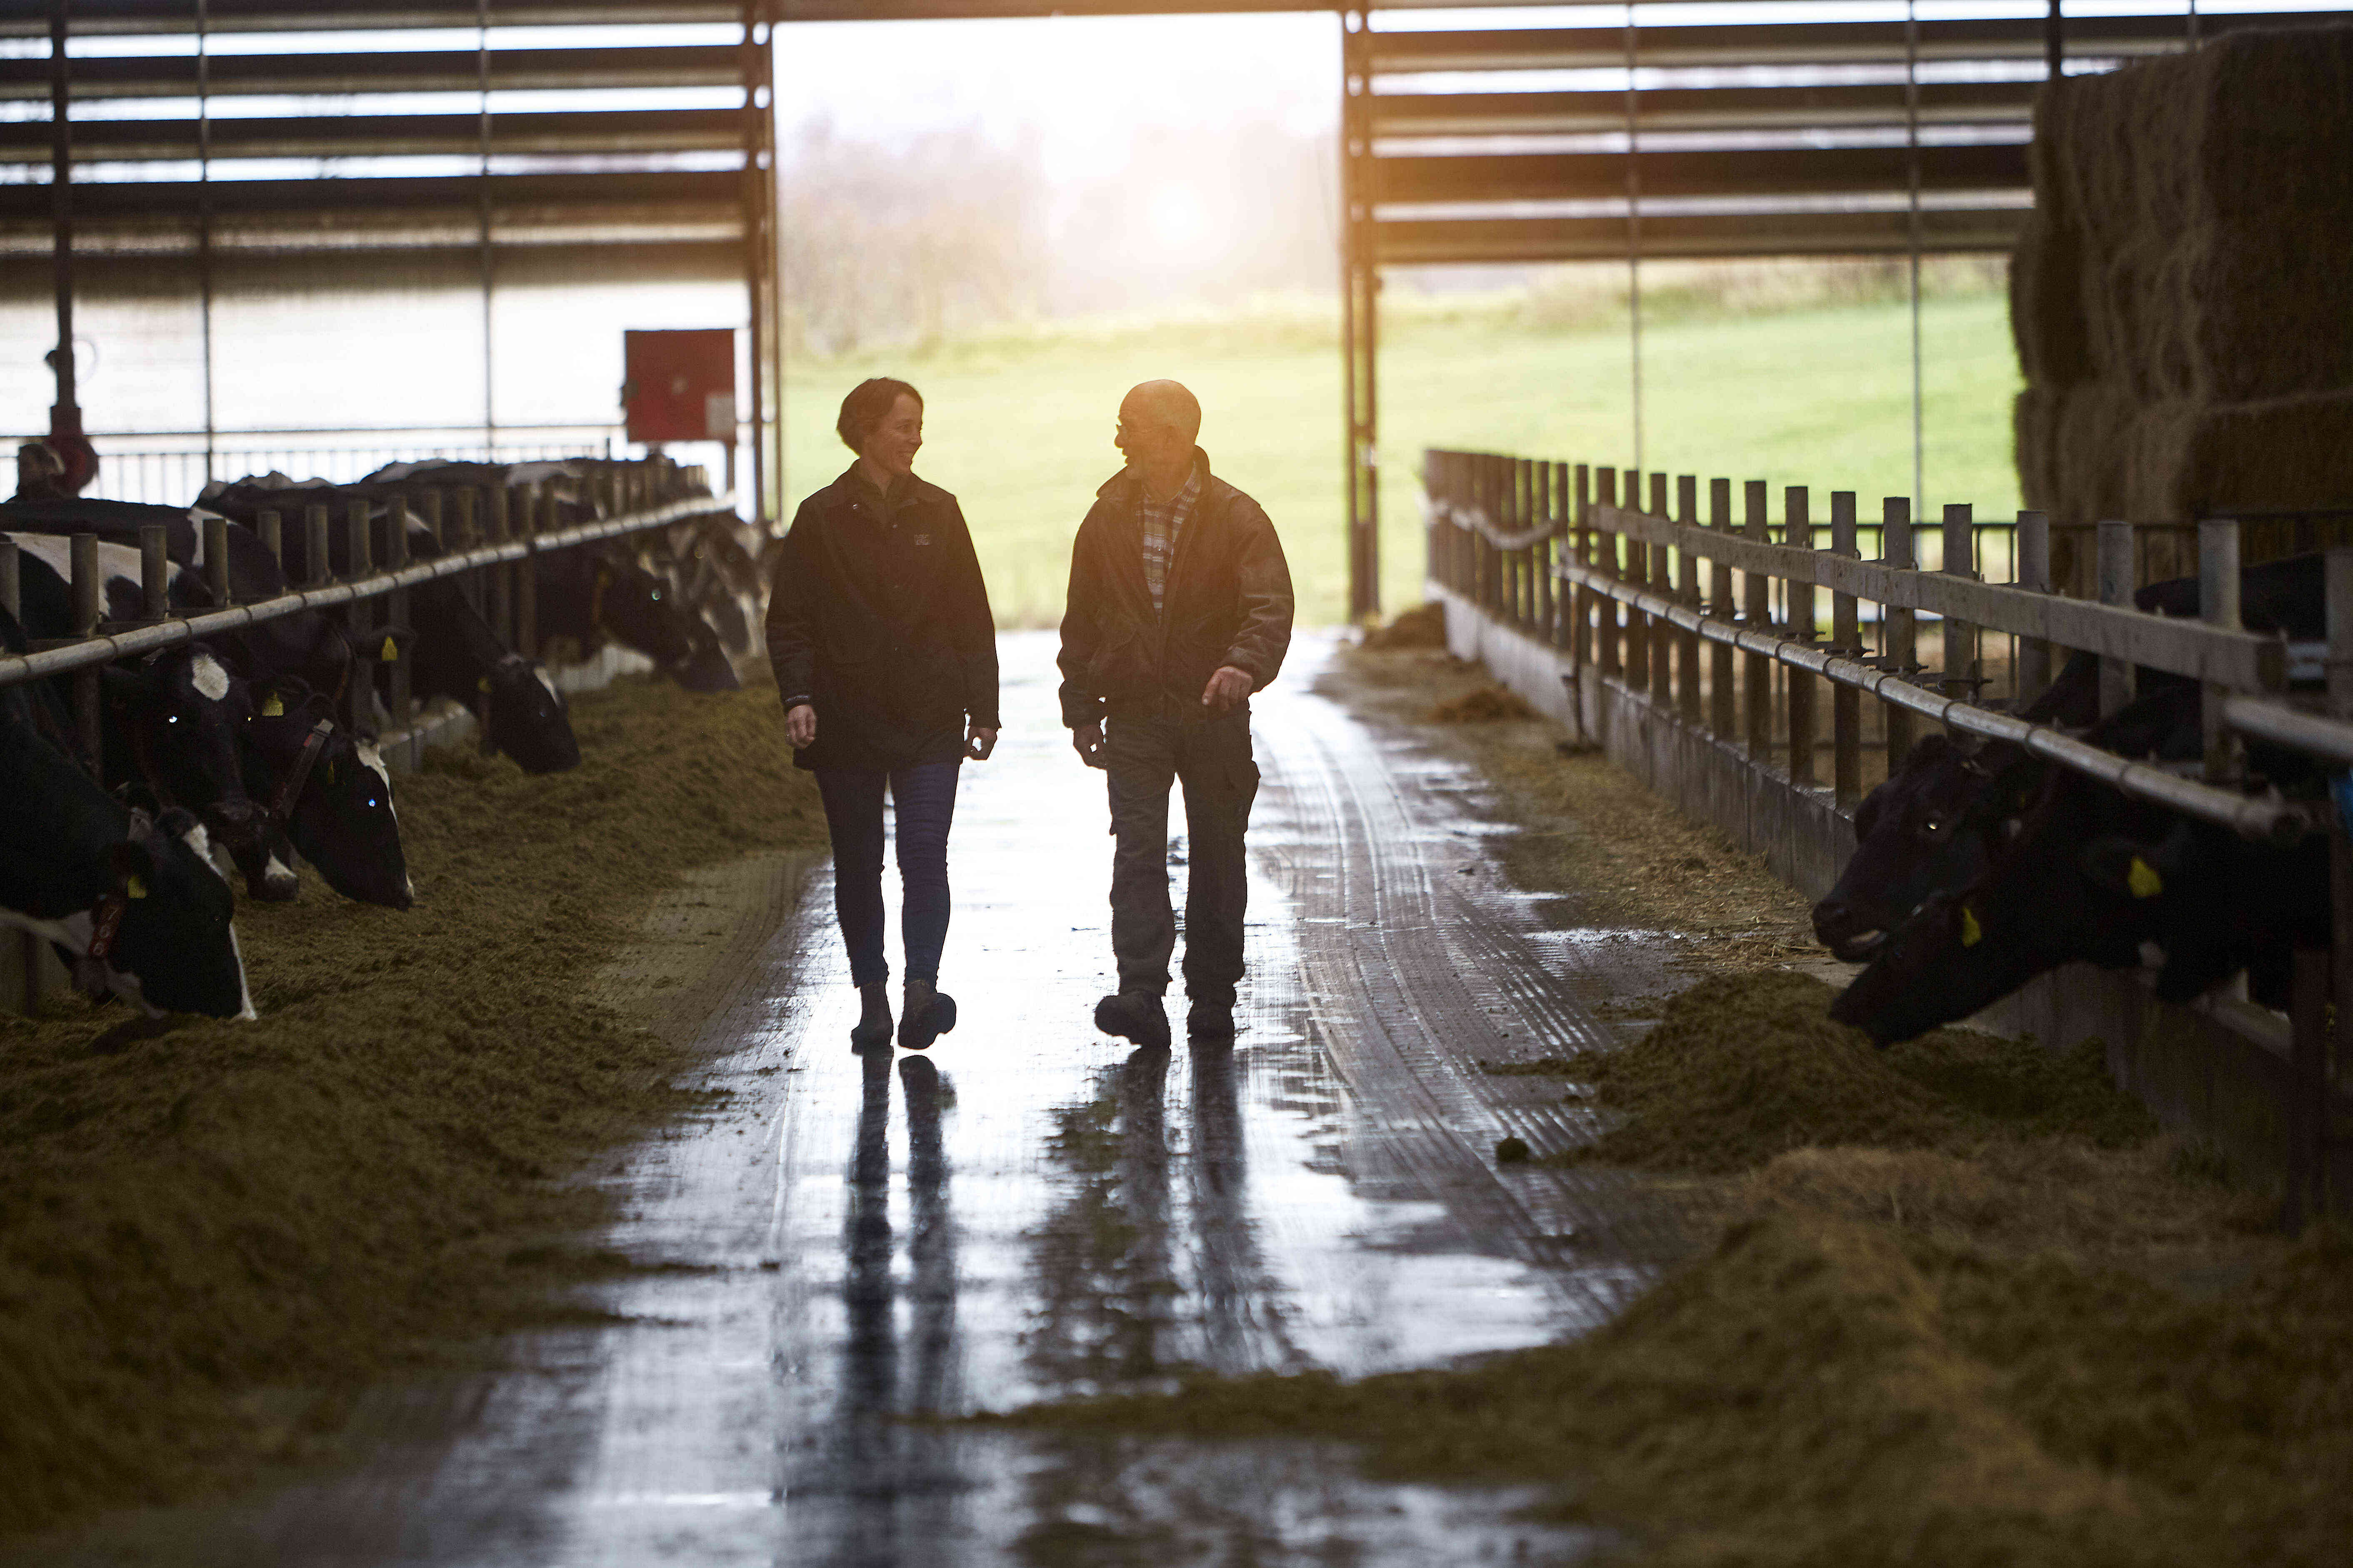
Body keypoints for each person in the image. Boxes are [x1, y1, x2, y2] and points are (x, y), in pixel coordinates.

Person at [1057, 380, 1293, 1049]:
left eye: (1128, 426)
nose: (1118, 439)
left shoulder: (1237, 517)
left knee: (1218, 852)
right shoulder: (1105, 517)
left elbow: (1270, 606)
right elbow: (1084, 617)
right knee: (1137, 853)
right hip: (1132, 712)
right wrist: (1080, 705)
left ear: (1171, 436)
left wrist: (1242, 667)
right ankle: (1141, 994)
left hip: (1214, 716)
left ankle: (1213, 996)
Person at [767, 378, 1000, 1051]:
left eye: (919, 425)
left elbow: (971, 620)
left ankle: (920, 991)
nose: (916, 437)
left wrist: (982, 710)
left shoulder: (941, 512)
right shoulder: (820, 518)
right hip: (845, 720)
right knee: (858, 861)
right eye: (903, 426)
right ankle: (872, 997)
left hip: (929, 715)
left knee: (925, 854)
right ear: (865, 430)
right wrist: (798, 695)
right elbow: (790, 623)